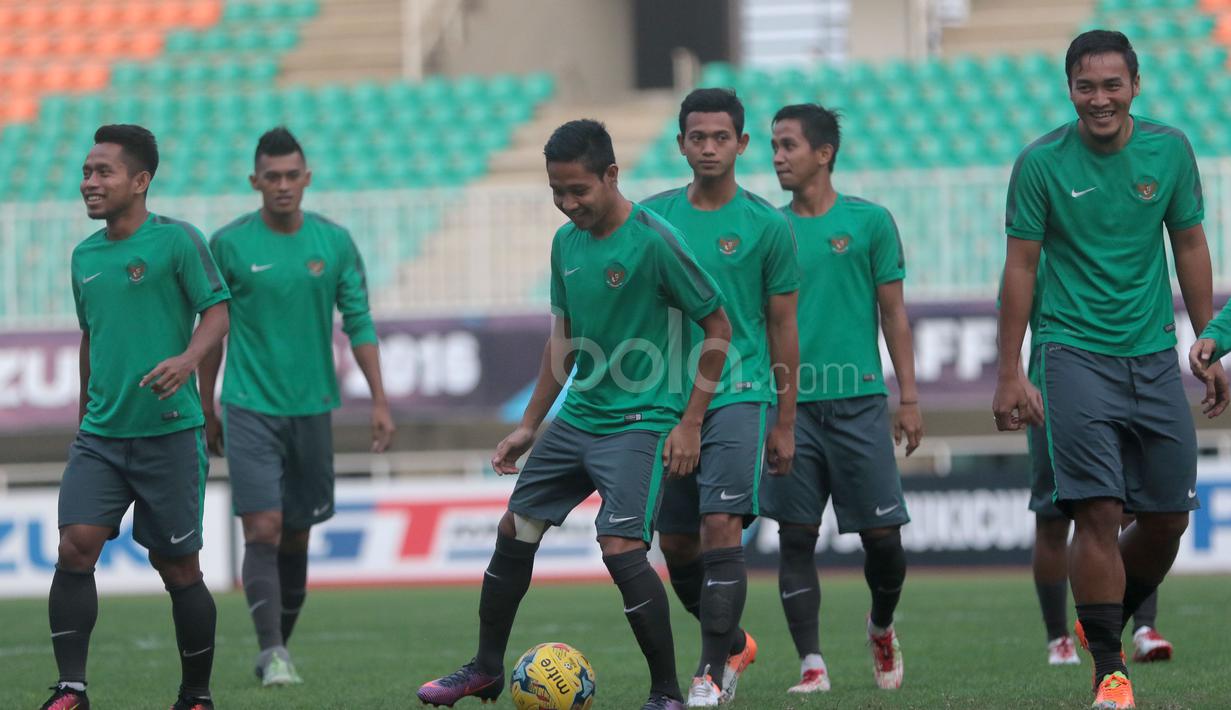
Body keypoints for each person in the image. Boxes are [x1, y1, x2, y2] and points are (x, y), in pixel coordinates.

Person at [416, 119, 731, 710]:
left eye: (578, 190)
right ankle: (485, 669)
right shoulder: (567, 243)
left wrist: (689, 422)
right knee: (517, 528)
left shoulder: (655, 241)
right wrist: (530, 424)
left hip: (642, 419)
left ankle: (666, 693)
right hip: (580, 415)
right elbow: (562, 340)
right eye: (557, 192)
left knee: (620, 547)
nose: (567, 204)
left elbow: (719, 326)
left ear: (611, 175)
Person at [993, 30, 1228, 709]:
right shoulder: (1038, 163)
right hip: (1070, 353)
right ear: (1069, 89)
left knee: (1165, 520)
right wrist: (1010, 371)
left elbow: (1187, 242)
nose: (1098, 98)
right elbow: (1019, 267)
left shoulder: (1169, 149)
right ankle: (1107, 669)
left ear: (1134, 86)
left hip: (1152, 353)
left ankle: (1100, 618)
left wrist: (1207, 338)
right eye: (1085, 86)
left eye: (1111, 85)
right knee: (1095, 511)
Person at [41, 124, 231, 710]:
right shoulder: (84, 256)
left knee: (178, 567)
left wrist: (189, 361)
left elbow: (217, 313)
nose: (89, 183)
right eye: (86, 173)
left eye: (103, 172)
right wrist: (82, 417)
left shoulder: (178, 242)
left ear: (140, 181)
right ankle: (72, 690)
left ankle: (195, 696)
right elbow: (90, 338)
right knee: (76, 547)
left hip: (169, 433)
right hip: (100, 435)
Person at [198, 126, 395, 685]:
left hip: (312, 408)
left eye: (292, 176)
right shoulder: (229, 244)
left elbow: (358, 320)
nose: (282, 186)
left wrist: (380, 399)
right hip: (248, 405)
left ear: (306, 179)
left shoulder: (333, 242)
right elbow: (212, 327)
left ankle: (280, 641)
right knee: (262, 525)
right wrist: (207, 403)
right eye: (272, 177)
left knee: (297, 533)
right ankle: (272, 652)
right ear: (255, 181)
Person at [642, 87, 799, 707]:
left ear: (741, 144)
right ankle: (732, 639)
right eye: (697, 137)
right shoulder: (651, 219)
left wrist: (784, 421)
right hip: (668, 398)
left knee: (718, 523)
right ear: (681, 143)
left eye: (720, 137)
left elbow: (783, 326)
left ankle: (708, 672)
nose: (709, 147)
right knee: (675, 543)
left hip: (741, 391)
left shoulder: (768, 225)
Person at [762, 104, 922, 693]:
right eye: (774, 146)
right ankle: (812, 664)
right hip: (791, 408)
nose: (777, 156)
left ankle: (880, 626)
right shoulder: (768, 228)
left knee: (885, 542)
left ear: (823, 153)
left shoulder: (871, 221)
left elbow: (895, 313)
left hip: (858, 404)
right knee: (796, 535)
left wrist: (908, 397)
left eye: (788, 145)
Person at [1017, 272, 1174, 666]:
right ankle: (1059, 638)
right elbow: (1011, 320)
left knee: (1128, 511)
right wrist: (1018, 379)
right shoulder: (1031, 253)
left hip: (1119, 392)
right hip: (1051, 398)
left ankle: (1141, 626)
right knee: (1054, 521)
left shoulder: (1110, 243)